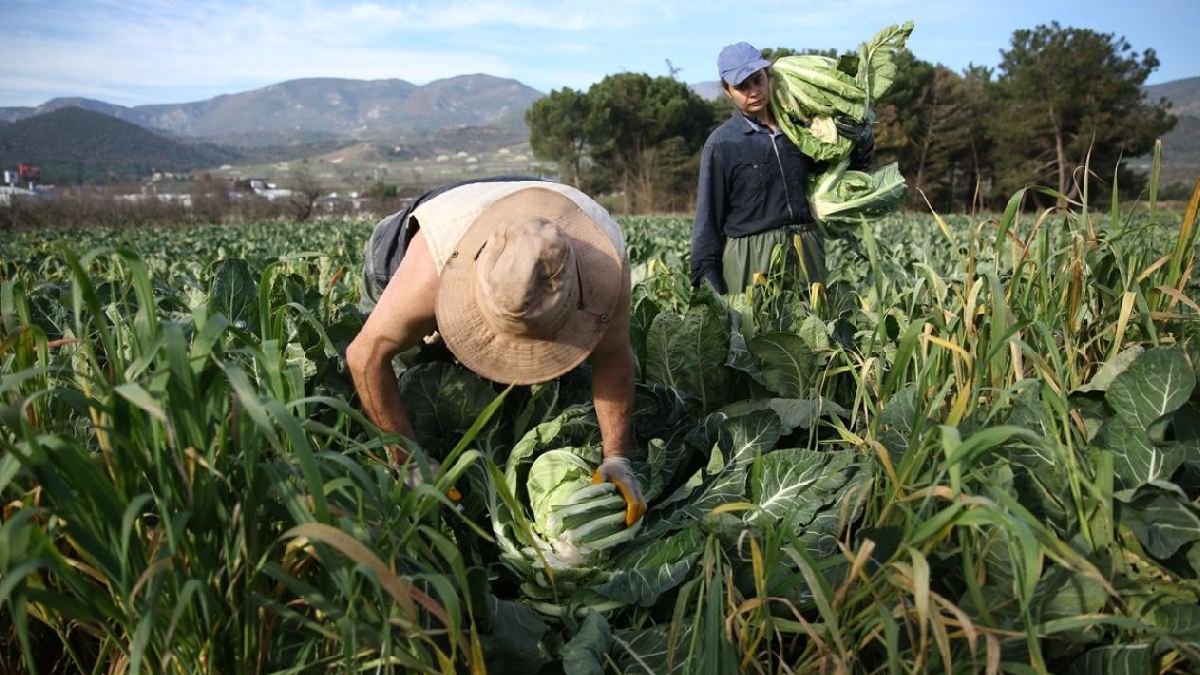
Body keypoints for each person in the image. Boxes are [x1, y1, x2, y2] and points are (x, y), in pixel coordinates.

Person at [346, 178, 647, 526]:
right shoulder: (429, 274)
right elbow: (365, 357)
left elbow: (614, 362)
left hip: (505, 220)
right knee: (411, 390)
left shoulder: (605, 259)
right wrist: (407, 457)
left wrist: (617, 457)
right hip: (407, 250)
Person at [690, 42, 875, 295]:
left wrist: (862, 143)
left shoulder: (799, 132)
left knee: (814, 330)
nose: (753, 92)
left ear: (768, 76)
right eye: (742, 87)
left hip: (806, 250)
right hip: (751, 258)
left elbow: (838, 176)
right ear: (727, 91)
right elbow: (708, 219)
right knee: (757, 332)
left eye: (757, 81)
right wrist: (707, 283)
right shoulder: (723, 144)